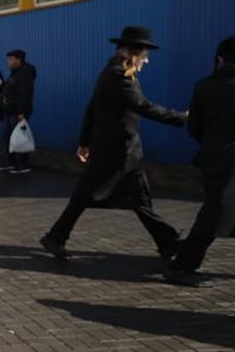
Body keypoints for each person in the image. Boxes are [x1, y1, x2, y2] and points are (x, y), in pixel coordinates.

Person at [40, 26, 186, 262]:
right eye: (144, 55)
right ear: (133, 53)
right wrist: (182, 118)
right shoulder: (117, 76)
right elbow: (143, 106)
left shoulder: (116, 73)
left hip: (121, 148)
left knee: (136, 197)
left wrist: (84, 141)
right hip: (116, 149)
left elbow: (92, 108)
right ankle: (56, 236)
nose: (146, 61)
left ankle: (167, 242)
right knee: (90, 193)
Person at [165, 36, 235, 287]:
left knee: (214, 213)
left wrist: (212, 144)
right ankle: (181, 265)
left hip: (215, 159)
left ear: (219, 59)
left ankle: (182, 263)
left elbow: (194, 127)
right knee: (212, 216)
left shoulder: (204, 86)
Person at [1, 49, 37, 173]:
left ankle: (23, 164)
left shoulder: (25, 73)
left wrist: (21, 112)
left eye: (11, 59)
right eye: (8, 59)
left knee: (21, 137)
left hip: (18, 112)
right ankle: (11, 162)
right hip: (10, 111)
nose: (8, 62)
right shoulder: (14, 73)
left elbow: (25, 94)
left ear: (18, 60)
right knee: (8, 136)